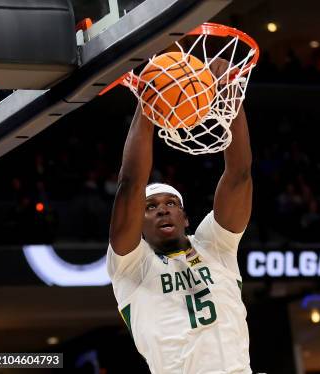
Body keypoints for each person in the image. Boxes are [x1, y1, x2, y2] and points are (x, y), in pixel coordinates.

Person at [106, 59, 253, 374]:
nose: (161, 208)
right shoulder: (132, 267)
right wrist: (149, 102)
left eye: (171, 202)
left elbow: (239, 175)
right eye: (150, 206)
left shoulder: (216, 248)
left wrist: (230, 97)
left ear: (186, 217)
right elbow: (131, 184)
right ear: (139, 225)